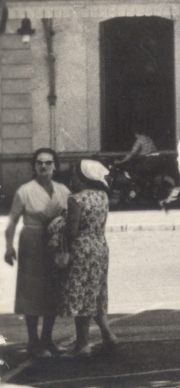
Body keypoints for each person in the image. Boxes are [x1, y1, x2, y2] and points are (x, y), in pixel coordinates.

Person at [4, 148, 70, 357]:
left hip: (55, 243)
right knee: (31, 290)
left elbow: (70, 218)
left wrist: (68, 247)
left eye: (48, 162)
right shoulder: (25, 190)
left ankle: (47, 338)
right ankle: (33, 341)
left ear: (55, 166)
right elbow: (12, 221)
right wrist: (8, 247)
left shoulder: (63, 190)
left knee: (54, 288)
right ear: (34, 166)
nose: (43, 166)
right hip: (31, 242)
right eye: (39, 162)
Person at [63, 159, 117, 357]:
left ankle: (82, 345)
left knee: (82, 294)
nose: (72, 179)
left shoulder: (76, 199)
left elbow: (72, 231)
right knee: (97, 292)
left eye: (75, 175)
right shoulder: (102, 196)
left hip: (82, 249)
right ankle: (107, 334)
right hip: (100, 246)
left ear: (83, 177)